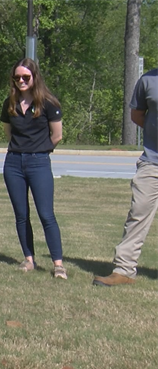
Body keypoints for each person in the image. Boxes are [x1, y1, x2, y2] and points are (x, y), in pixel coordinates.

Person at [0, 58, 66, 279]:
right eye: (17, 77)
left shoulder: (49, 103)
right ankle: (28, 259)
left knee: (46, 215)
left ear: (34, 77)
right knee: (21, 215)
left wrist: (39, 150)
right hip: (13, 164)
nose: (21, 81)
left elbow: (56, 136)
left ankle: (58, 264)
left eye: (25, 77)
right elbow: (9, 134)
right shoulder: (9, 104)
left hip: (39, 163)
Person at [93, 66, 158, 287]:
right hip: (153, 162)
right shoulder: (148, 80)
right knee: (138, 213)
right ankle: (124, 270)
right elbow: (138, 116)